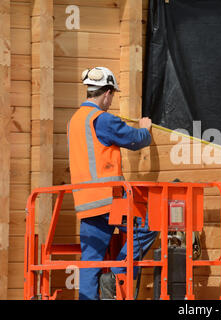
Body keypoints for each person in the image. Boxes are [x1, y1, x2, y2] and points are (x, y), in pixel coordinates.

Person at [67, 67, 158, 300]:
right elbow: (135, 140)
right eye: (112, 96)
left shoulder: (75, 121)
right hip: (110, 201)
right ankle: (118, 272)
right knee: (151, 222)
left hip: (85, 203)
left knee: (90, 261)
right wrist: (146, 129)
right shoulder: (102, 119)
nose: (111, 101)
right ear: (106, 93)